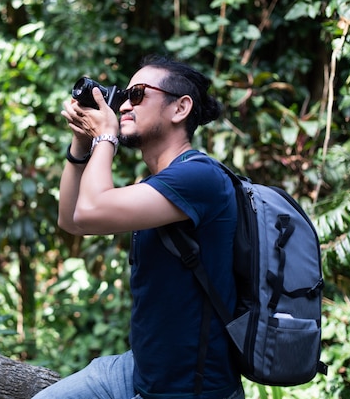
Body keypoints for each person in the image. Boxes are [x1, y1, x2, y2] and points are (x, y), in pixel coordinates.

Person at [33, 55, 244, 399]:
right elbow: (71, 220)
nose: (124, 105)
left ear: (180, 108)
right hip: (140, 369)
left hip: (189, 389)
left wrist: (106, 137)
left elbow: (90, 210)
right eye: (125, 95)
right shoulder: (160, 182)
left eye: (138, 94)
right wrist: (81, 144)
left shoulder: (200, 176)